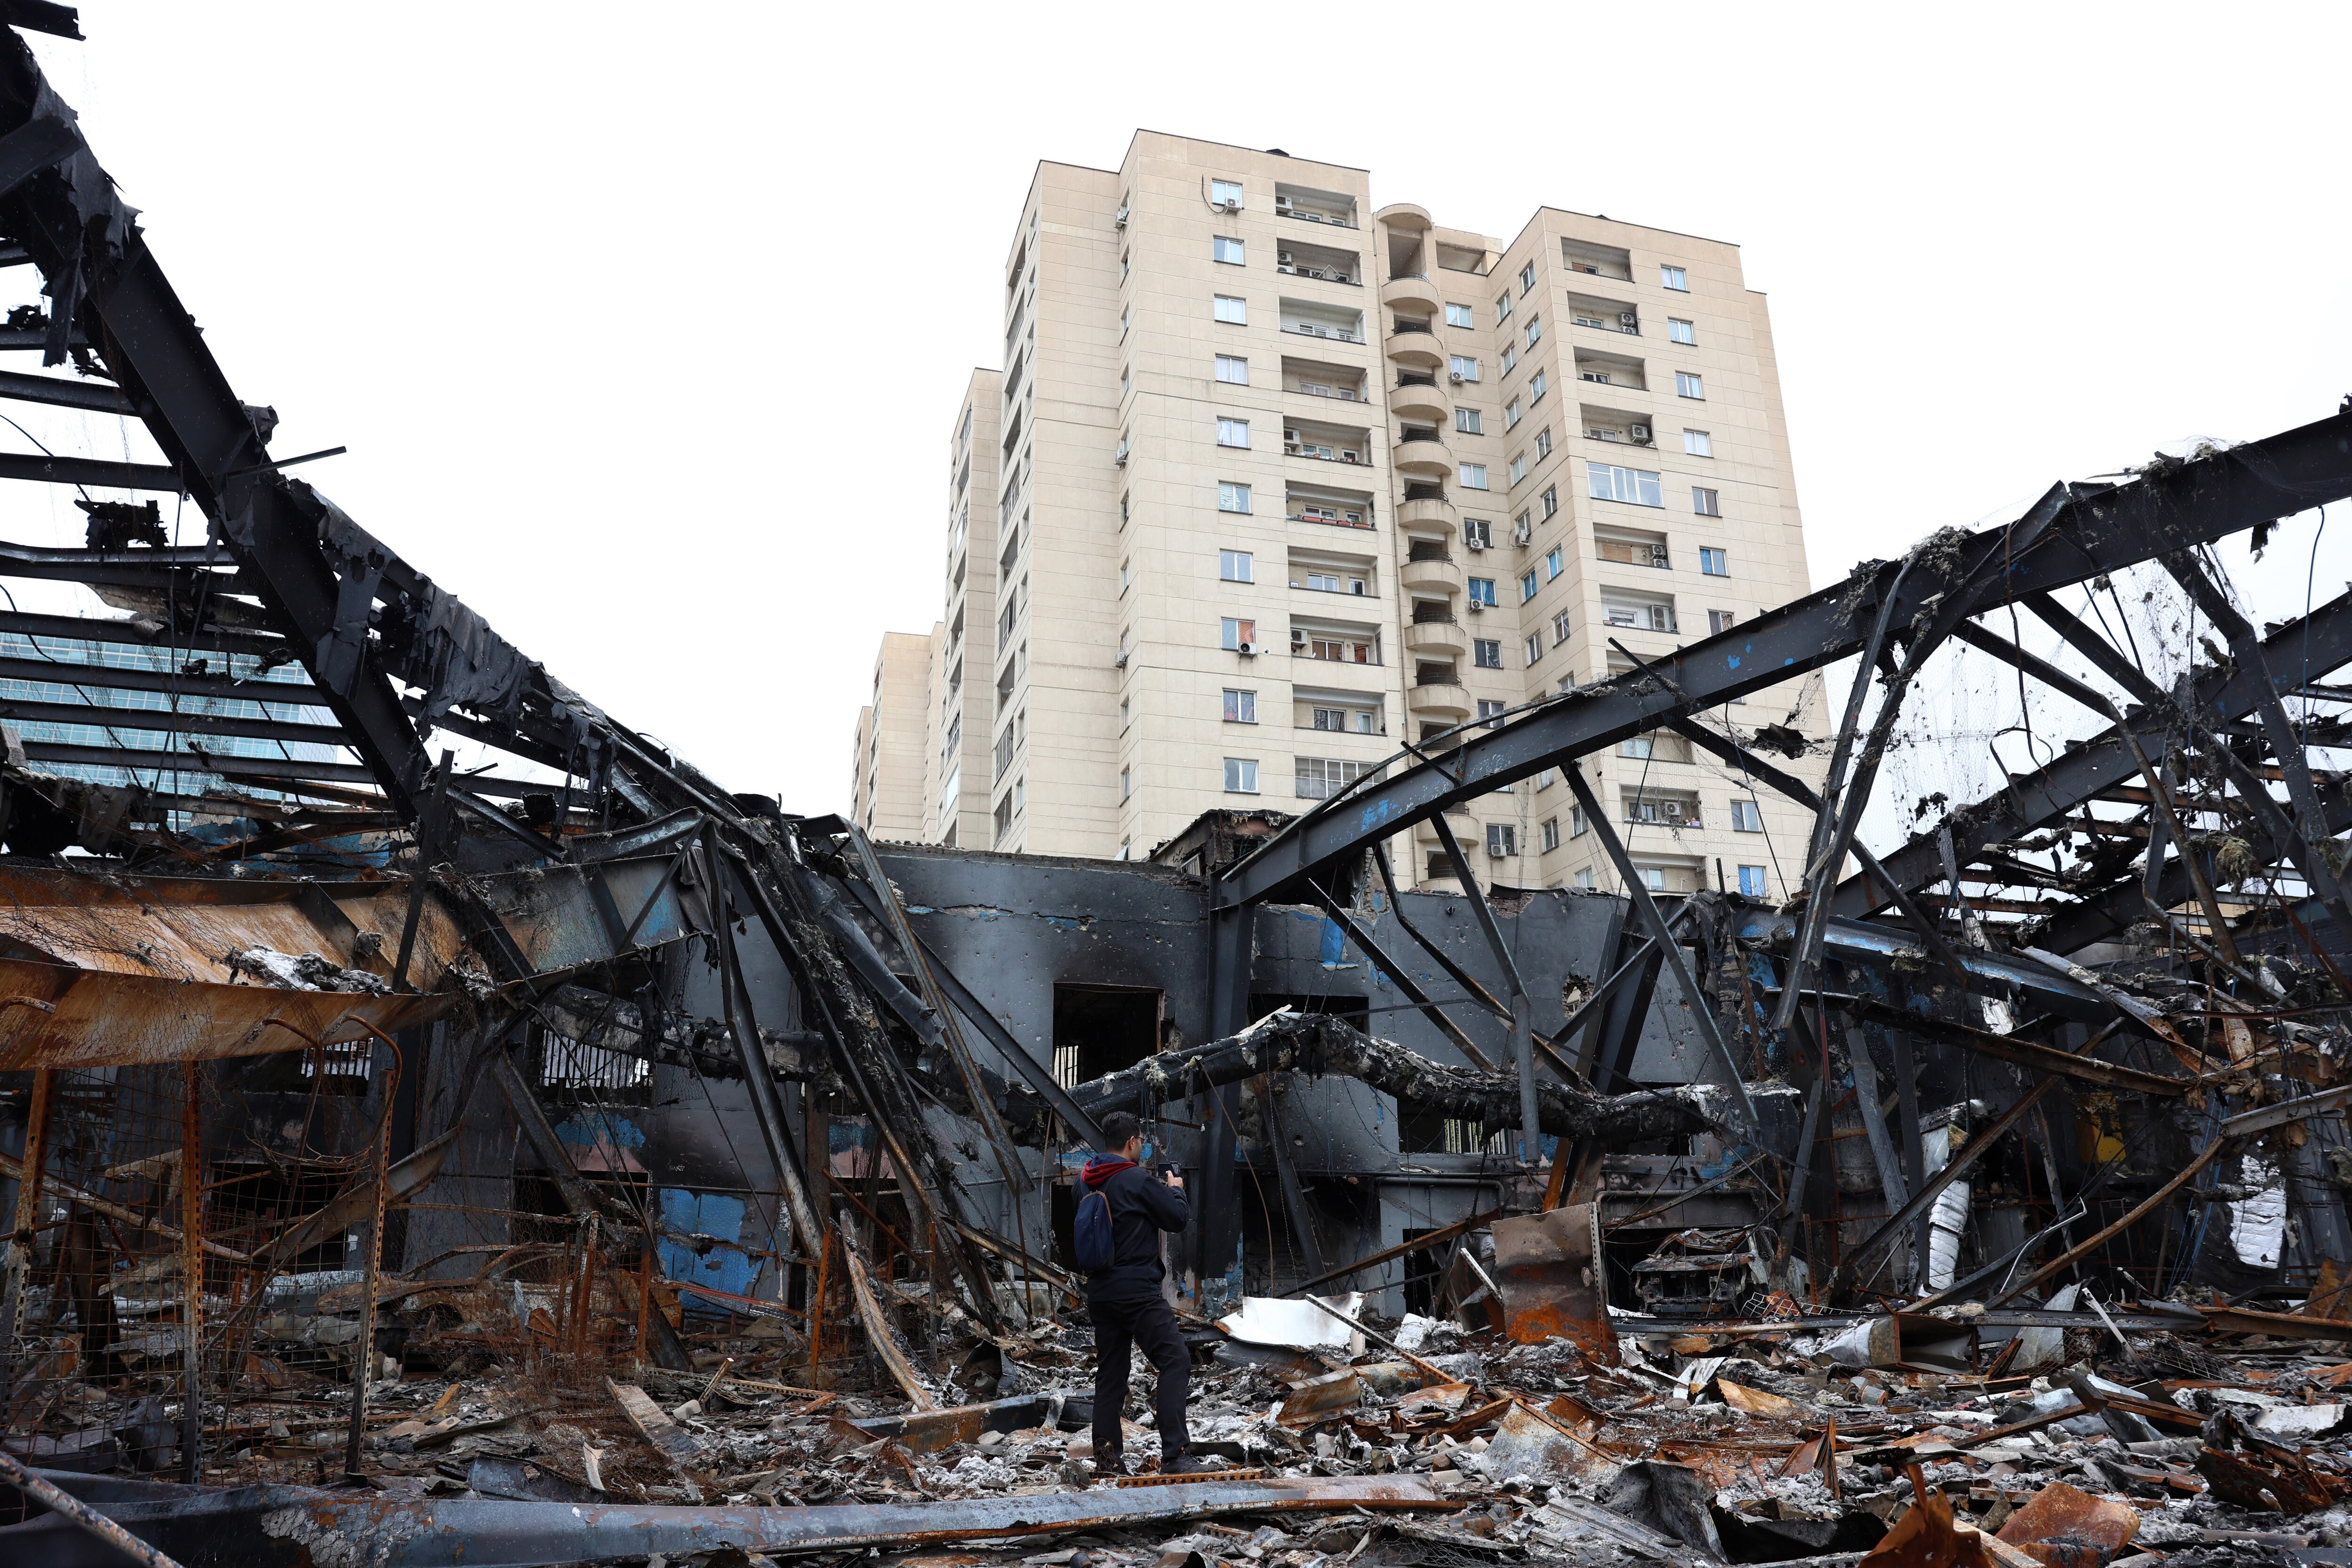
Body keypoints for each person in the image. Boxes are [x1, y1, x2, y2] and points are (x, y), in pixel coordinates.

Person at [1078, 1110, 1218, 1478]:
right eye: (1141, 1141)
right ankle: (1176, 1455)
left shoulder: (1086, 1181)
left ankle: (1108, 1462)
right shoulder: (1136, 1179)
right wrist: (1176, 1189)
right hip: (1137, 1291)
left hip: (1101, 1293)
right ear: (1132, 1142)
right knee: (1175, 1359)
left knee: (1111, 1375)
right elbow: (1176, 1218)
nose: (1142, 1146)